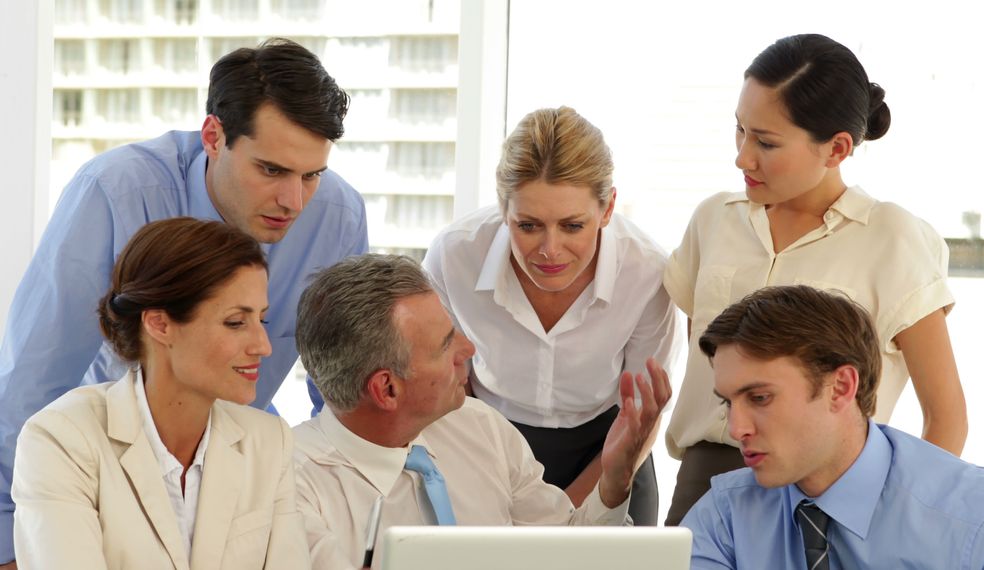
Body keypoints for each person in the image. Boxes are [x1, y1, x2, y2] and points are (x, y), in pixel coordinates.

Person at [0, 38, 367, 565]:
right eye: (271, 170)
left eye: (312, 175)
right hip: (99, 474)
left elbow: (337, 389)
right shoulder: (115, 191)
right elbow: (35, 379)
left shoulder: (338, 215)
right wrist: (13, 538)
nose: (295, 201)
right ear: (214, 136)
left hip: (235, 474)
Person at [663, 33, 967, 525]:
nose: (743, 156)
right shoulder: (713, 220)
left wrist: (899, 524)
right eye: (740, 130)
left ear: (837, 148)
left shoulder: (893, 238)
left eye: (765, 142)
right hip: (704, 483)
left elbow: (947, 416)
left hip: (827, 490)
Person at [291, 254, 670, 569]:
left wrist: (614, 478)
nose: (468, 348)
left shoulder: (479, 426)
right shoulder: (291, 486)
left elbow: (569, 553)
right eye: (444, 346)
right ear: (387, 389)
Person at [681, 285, 984, 568]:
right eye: (727, 402)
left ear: (841, 387)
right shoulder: (725, 516)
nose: (736, 428)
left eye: (760, 398)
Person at [423, 106, 679, 525]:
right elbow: (450, 387)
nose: (550, 250)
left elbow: (643, 413)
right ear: (504, 209)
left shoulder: (648, 270)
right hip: (486, 442)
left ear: (608, 208)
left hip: (611, 449)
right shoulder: (455, 256)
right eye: (528, 226)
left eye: (573, 226)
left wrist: (572, 511)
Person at [11, 218, 310, 569]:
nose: (263, 346)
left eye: (263, 320)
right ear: (160, 324)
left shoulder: (269, 442)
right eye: (235, 322)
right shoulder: (61, 439)